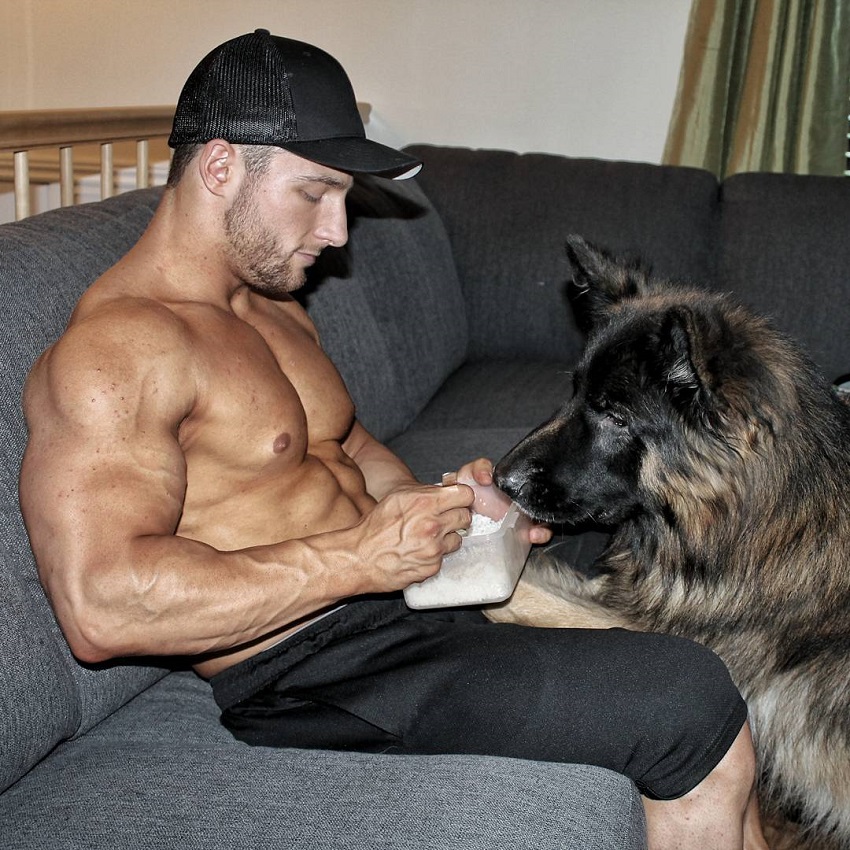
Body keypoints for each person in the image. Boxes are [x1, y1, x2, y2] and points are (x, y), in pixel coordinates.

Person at [18, 30, 767, 850]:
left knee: (631, 531)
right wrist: (360, 560)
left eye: (344, 196)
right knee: (685, 701)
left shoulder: (272, 307)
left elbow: (347, 451)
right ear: (221, 166)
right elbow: (103, 604)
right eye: (315, 193)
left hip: (395, 599)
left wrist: (444, 506)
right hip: (312, 668)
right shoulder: (116, 351)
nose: (338, 231)